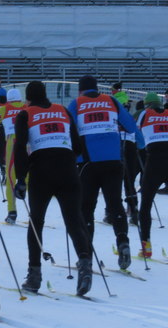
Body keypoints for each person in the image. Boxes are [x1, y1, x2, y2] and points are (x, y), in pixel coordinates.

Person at [12, 81, 93, 295]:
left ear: (28, 98)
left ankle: (34, 275)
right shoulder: (63, 110)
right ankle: (85, 264)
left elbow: (20, 146)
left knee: (36, 222)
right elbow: (77, 145)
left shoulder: (25, 114)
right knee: (74, 220)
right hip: (68, 169)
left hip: (42, 172)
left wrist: (20, 178)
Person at [67, 75, 138, 270]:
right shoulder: (112, 101)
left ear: (81, 90)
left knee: (86, 208)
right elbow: (131, 126)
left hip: (88, 163)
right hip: (114, 161)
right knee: (115, 204)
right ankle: (123, 242)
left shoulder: (77, 103)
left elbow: (67, 128)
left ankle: (87, 255)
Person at [135, 92, 168, 259]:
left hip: (154, 161)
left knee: (146, 205)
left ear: (147, 105)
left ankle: (146, 247)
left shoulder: (144, 114)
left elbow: (136, 132)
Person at [0, 88, 25, 224]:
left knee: (10, 178)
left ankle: (12, 212)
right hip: (28, 144)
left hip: (12, 144)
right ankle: (36, 212)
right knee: (31, 178)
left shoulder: (4, 109)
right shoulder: (27, 107)